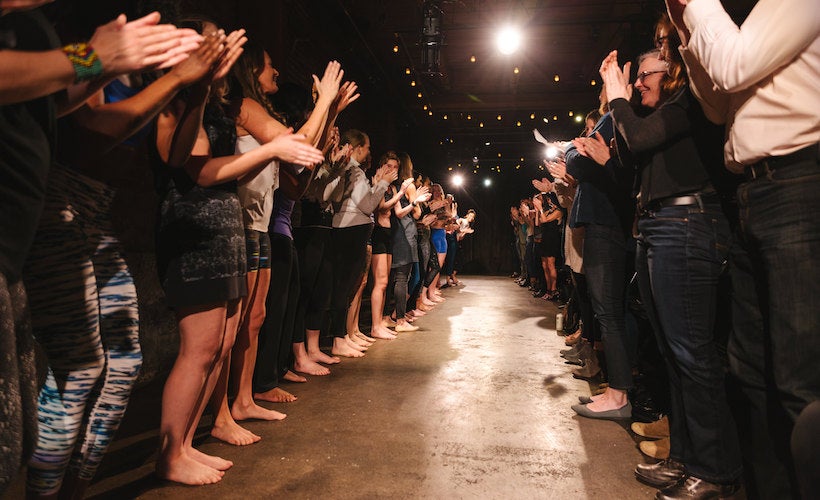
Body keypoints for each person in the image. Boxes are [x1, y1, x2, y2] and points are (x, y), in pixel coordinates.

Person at [0, 5, 199, 494]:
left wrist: (196, 85)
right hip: (58, 210)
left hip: (84, 216)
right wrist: (96, 58)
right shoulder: (76, 43)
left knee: (121, 364)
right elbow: (87, 142)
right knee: (78, 368)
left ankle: (73, 484)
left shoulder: (54, 36)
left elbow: (171, 155)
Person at [152, 19, 323, 485]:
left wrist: (323, 105)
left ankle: (186, 444)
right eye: (212, 38)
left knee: (221, 343)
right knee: (199, 348)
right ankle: (171, 453)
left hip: (225, 226)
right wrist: (271, 151)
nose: (222, 45)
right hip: (194, 227)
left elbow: (290, 145)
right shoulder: (180, 99)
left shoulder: (226, 104)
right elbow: (201, 172)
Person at [665, 0, 819, 497]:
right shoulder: (752, 19)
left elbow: (733, 67)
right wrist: (687, 28)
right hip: (757, 191)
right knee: (749, 372)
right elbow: (716, 104)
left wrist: (699, 6)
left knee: (799, 380)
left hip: (799, 180)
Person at [596, 37, 743, 496]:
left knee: (692, 354)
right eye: (634, 77)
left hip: (688, 220)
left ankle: (713, 469)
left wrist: (616, 96)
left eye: (646, 73)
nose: (638, 83)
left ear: (673, 70)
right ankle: (684, 458)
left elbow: (638, 139)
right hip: (660, 223)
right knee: (672, 354)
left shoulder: (692, 97)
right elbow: (634, 153)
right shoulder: (662, 110)